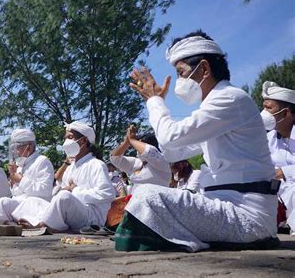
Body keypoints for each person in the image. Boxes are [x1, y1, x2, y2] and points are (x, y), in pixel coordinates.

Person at [118, 30, 279, 252]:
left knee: (147, 196)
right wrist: (158, 104)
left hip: (247, 216)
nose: (179, 81)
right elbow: (173, 152)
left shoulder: (230, 98)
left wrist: (155, 102)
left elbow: (169, 135)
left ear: (204, 68)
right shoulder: (217, 105)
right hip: (224, 206)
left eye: (182, 73)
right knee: (144, 197)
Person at [12, 121, 115, 232]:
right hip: (70, 212)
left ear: (84, 141)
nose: (66, 142)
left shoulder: (96, 164)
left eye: (70, 137)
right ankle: (20, 222)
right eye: (65, 138)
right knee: (32, 201)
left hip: (91, 217)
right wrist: (63, 189)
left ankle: (42, 225)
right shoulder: (71, 167)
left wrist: (74, 190)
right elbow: (58, 193)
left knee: (64, 196)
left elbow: (107, 194)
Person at [0, 129, 54, 224]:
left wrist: (21, 180)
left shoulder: (42, 161)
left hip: (35, 205)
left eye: (18, 147)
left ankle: (3, 228)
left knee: (2, 203)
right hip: (20, 203)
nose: (15, 151)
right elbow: (17, 193)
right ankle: (3, 227)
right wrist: (13, 182)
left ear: (29, 147)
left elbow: (46, 190)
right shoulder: (20, 165)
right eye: (14, 148)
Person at [260, 81, 295, 233]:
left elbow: (278, 173)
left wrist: (283, 172)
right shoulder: (268, 139)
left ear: (286, 113)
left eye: (268, 108)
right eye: (263, 107)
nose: (264, 113)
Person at [110, 124, 171, 190]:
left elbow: (149, 151)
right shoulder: (137, 162)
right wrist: (126, 143)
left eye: (140, 142)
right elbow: (114, 158)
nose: (136, 146)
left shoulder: (162, 161)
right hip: (137, 198)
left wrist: (132, 140)